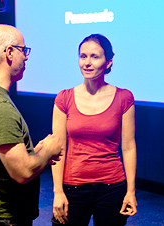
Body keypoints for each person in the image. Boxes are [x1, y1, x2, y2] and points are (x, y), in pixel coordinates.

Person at [0, 24, 64, 226]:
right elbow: (22, 172)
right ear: (9, 52)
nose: (26, 57)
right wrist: (48, 151)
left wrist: (34, 152)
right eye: (23, 50)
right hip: (1, 218)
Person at [51, 34, 137, 226]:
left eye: (94, 57)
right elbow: (57, 150)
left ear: (108, 62)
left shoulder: (124, 98)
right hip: (73, 187)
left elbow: (129, 147)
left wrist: (131, 191)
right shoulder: (64, 98)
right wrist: (58, 192)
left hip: (112, 187)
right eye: (83, 56)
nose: (87, 63)